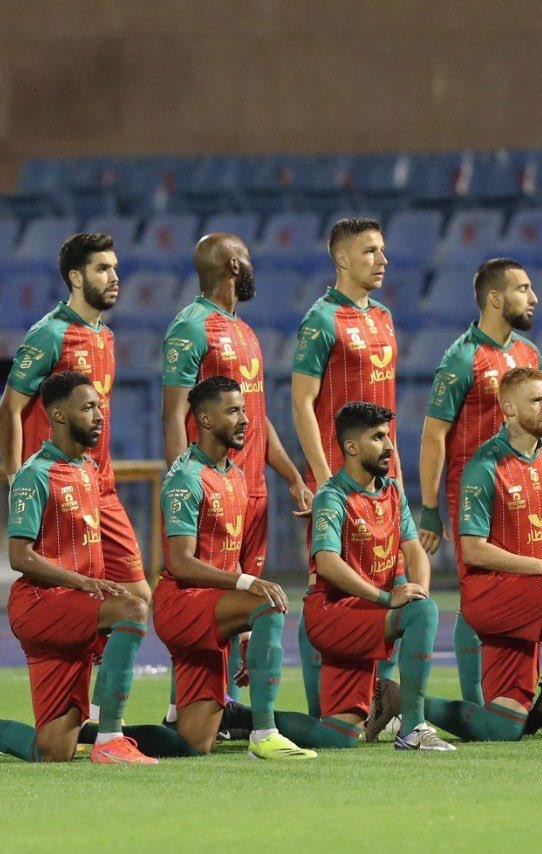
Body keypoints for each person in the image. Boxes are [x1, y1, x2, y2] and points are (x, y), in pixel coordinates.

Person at [0, 372, 157, 765]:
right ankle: (110, 738)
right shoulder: (34, 474)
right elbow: (20, 556)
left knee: (52, 750)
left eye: (99, 407)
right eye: (88, 407)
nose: (99, 416)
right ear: (58, 414)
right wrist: (85, 583)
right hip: (43, 606)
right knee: (133, 609)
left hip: (74, 609)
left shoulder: (87, 469)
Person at [160, 233, 313, 722]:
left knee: (244, 602)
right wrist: (182, 480)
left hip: (251, 489)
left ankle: (220, 708)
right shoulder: (191, 326)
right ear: (232, 265)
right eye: (246, 258)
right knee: (208, 599)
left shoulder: (244, 331)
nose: (251, 266)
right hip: (212, 489)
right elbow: (173, 413)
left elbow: (255, 414)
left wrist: (291, 475)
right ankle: (183, 706)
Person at [423, 368, 542, 744]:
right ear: (510, 409)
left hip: (530, 594)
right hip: (493, 595)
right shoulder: (485, 465)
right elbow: (473, 549)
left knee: (502, 728)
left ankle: (401, 703)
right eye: (536, 400)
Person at [153, 376, 318, 759]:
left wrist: (245, 633)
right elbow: (181, 563)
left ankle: (108, 735)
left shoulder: (236, 476)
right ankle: (264, 732)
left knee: (195, 743)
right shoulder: (185, 479)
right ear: (206, 419)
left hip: (212, 609)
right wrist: (247, 584)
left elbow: (228, 557)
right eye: (233, 411)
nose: (245, 419)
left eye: (244, 410)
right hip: (181, 605)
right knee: (269, 603)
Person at [290, 217, 402, 731]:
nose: (382, 260)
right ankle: (323, 709)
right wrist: (322, 480)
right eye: (370, 251)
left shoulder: (384, 317)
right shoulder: (321, 320)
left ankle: (380, 700)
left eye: (382, 251)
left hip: (383, 479)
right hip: (338, 480)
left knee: (389, 581)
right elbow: (302, 403)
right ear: (341, 258)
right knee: (326, 589)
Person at [416, 258, 542, 707]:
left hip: (524, 489)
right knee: (478, 593)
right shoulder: (462, 357)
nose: (533, 298)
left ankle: (519, 696)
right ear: (495, 298)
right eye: (522, 289)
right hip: (475, 493)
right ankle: (474, 703)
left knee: (527, 589)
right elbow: (434, 435)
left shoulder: (529, 354)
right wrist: (429, 508)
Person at [0, 232, 148, 606]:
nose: (114, 277)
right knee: (70, 602)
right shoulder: (50, 334)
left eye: (115, 268)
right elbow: (8, 410)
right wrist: (17, 481)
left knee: (136, 596)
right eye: (102, 269)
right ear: (76, 278)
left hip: (101, 486)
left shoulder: (106, 336)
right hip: (60, 490)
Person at [305, 402, 453, 751]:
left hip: (365, 614)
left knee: (337, 736)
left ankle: (246, 721)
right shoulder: (332, 496)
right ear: (352, 447)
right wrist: (388, 599)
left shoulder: (393, 491)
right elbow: (327, 563)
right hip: (333, 614)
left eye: (388, 437)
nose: (389, 446)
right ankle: (413, 728)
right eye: (378, 437)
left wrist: (419, 594)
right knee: (420, 612)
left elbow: (414, 549)